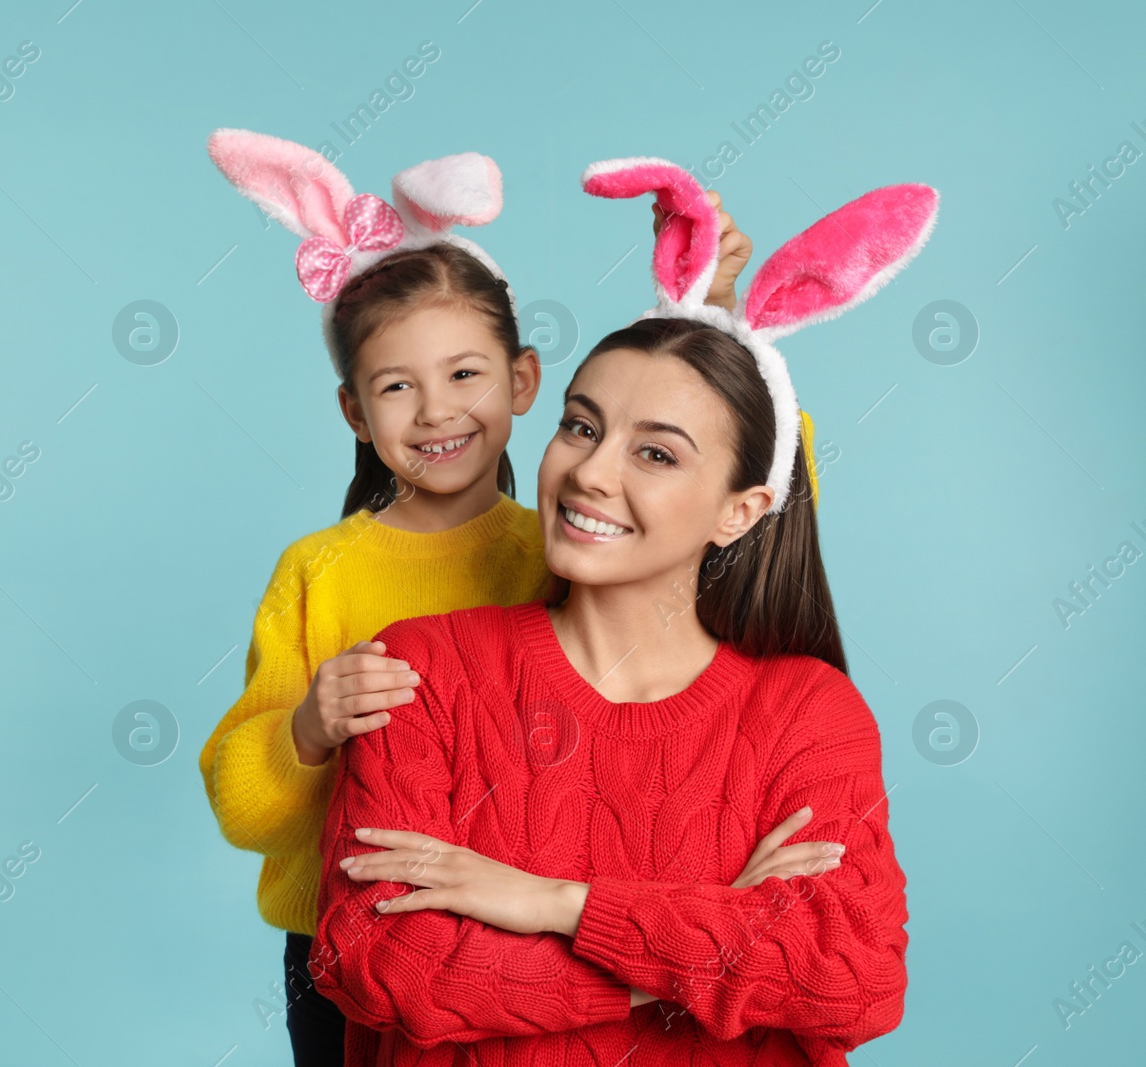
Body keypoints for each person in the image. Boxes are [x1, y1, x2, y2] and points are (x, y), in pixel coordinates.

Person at [197, 131, 832, 1066]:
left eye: (465, 375)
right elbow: (243, 806)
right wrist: (307, 728)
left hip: (540, 904)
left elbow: (723, 487)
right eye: (396, 388)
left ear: (524, 380)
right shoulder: (319, 571)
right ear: (354, 414)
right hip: (356, 938)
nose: (436, 412)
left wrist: (719, 322)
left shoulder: (570, 539)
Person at [309, 158, 938, 1065]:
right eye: (582, 426)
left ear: (742, 509)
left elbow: (850, 978)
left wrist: (556, 902)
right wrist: (701, 939)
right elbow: (381, 960)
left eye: (657, 454)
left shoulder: (809, 714)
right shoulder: (420, 674)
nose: (592, 472)